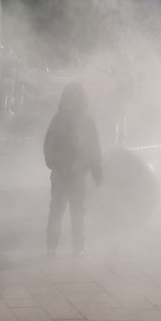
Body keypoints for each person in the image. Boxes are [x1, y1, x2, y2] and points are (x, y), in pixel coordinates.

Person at [43, 82, 103, 256]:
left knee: (57, 209)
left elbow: (48, 145)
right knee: (77, 210)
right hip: (78, 173)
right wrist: (96, 171)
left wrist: (53, 164)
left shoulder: (58, 119)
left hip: (61, 172)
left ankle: (51, 246)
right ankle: (78, 246)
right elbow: (94, 148)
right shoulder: (86, 120)